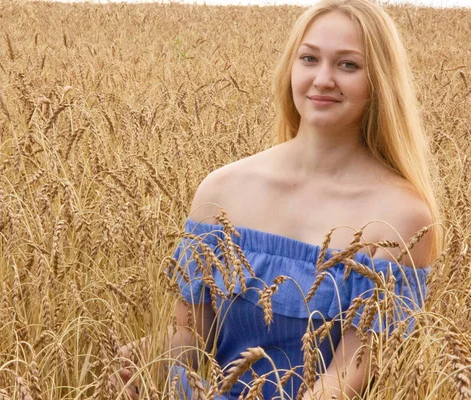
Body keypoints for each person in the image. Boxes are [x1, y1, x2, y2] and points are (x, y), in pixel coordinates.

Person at [115, 0, 442, 398]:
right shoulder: (221, 191)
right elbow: (191, 337)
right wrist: (149, 362)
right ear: (291, 67)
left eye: (348, 65)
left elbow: (346, 378)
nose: (323, 78)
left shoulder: (401, 219)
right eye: (309, 58)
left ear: (379, 82)